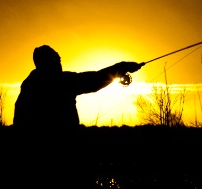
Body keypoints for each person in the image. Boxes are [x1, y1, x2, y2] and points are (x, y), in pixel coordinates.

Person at [13, 45, 144, 127]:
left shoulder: (29, 85)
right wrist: (122, 67)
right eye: (56, 60)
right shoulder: (59, 82)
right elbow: (93, 80)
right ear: (46, 63)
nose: (59, 64)